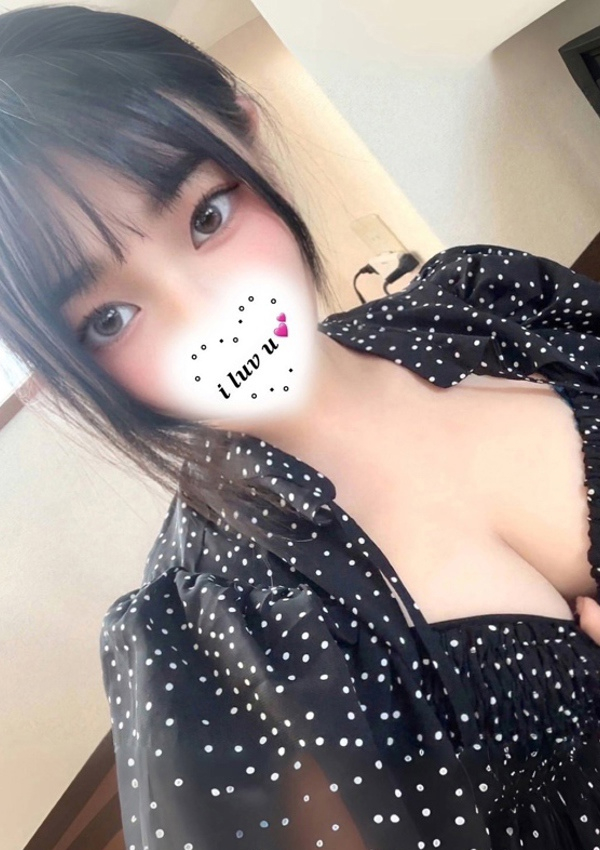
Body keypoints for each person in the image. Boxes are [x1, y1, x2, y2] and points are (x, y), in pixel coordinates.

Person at [2, 5, 600, 849]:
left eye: (208, 216)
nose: (210, 320)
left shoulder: (489, 303)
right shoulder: (220, 652)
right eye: (108, 318)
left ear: (250, 138)